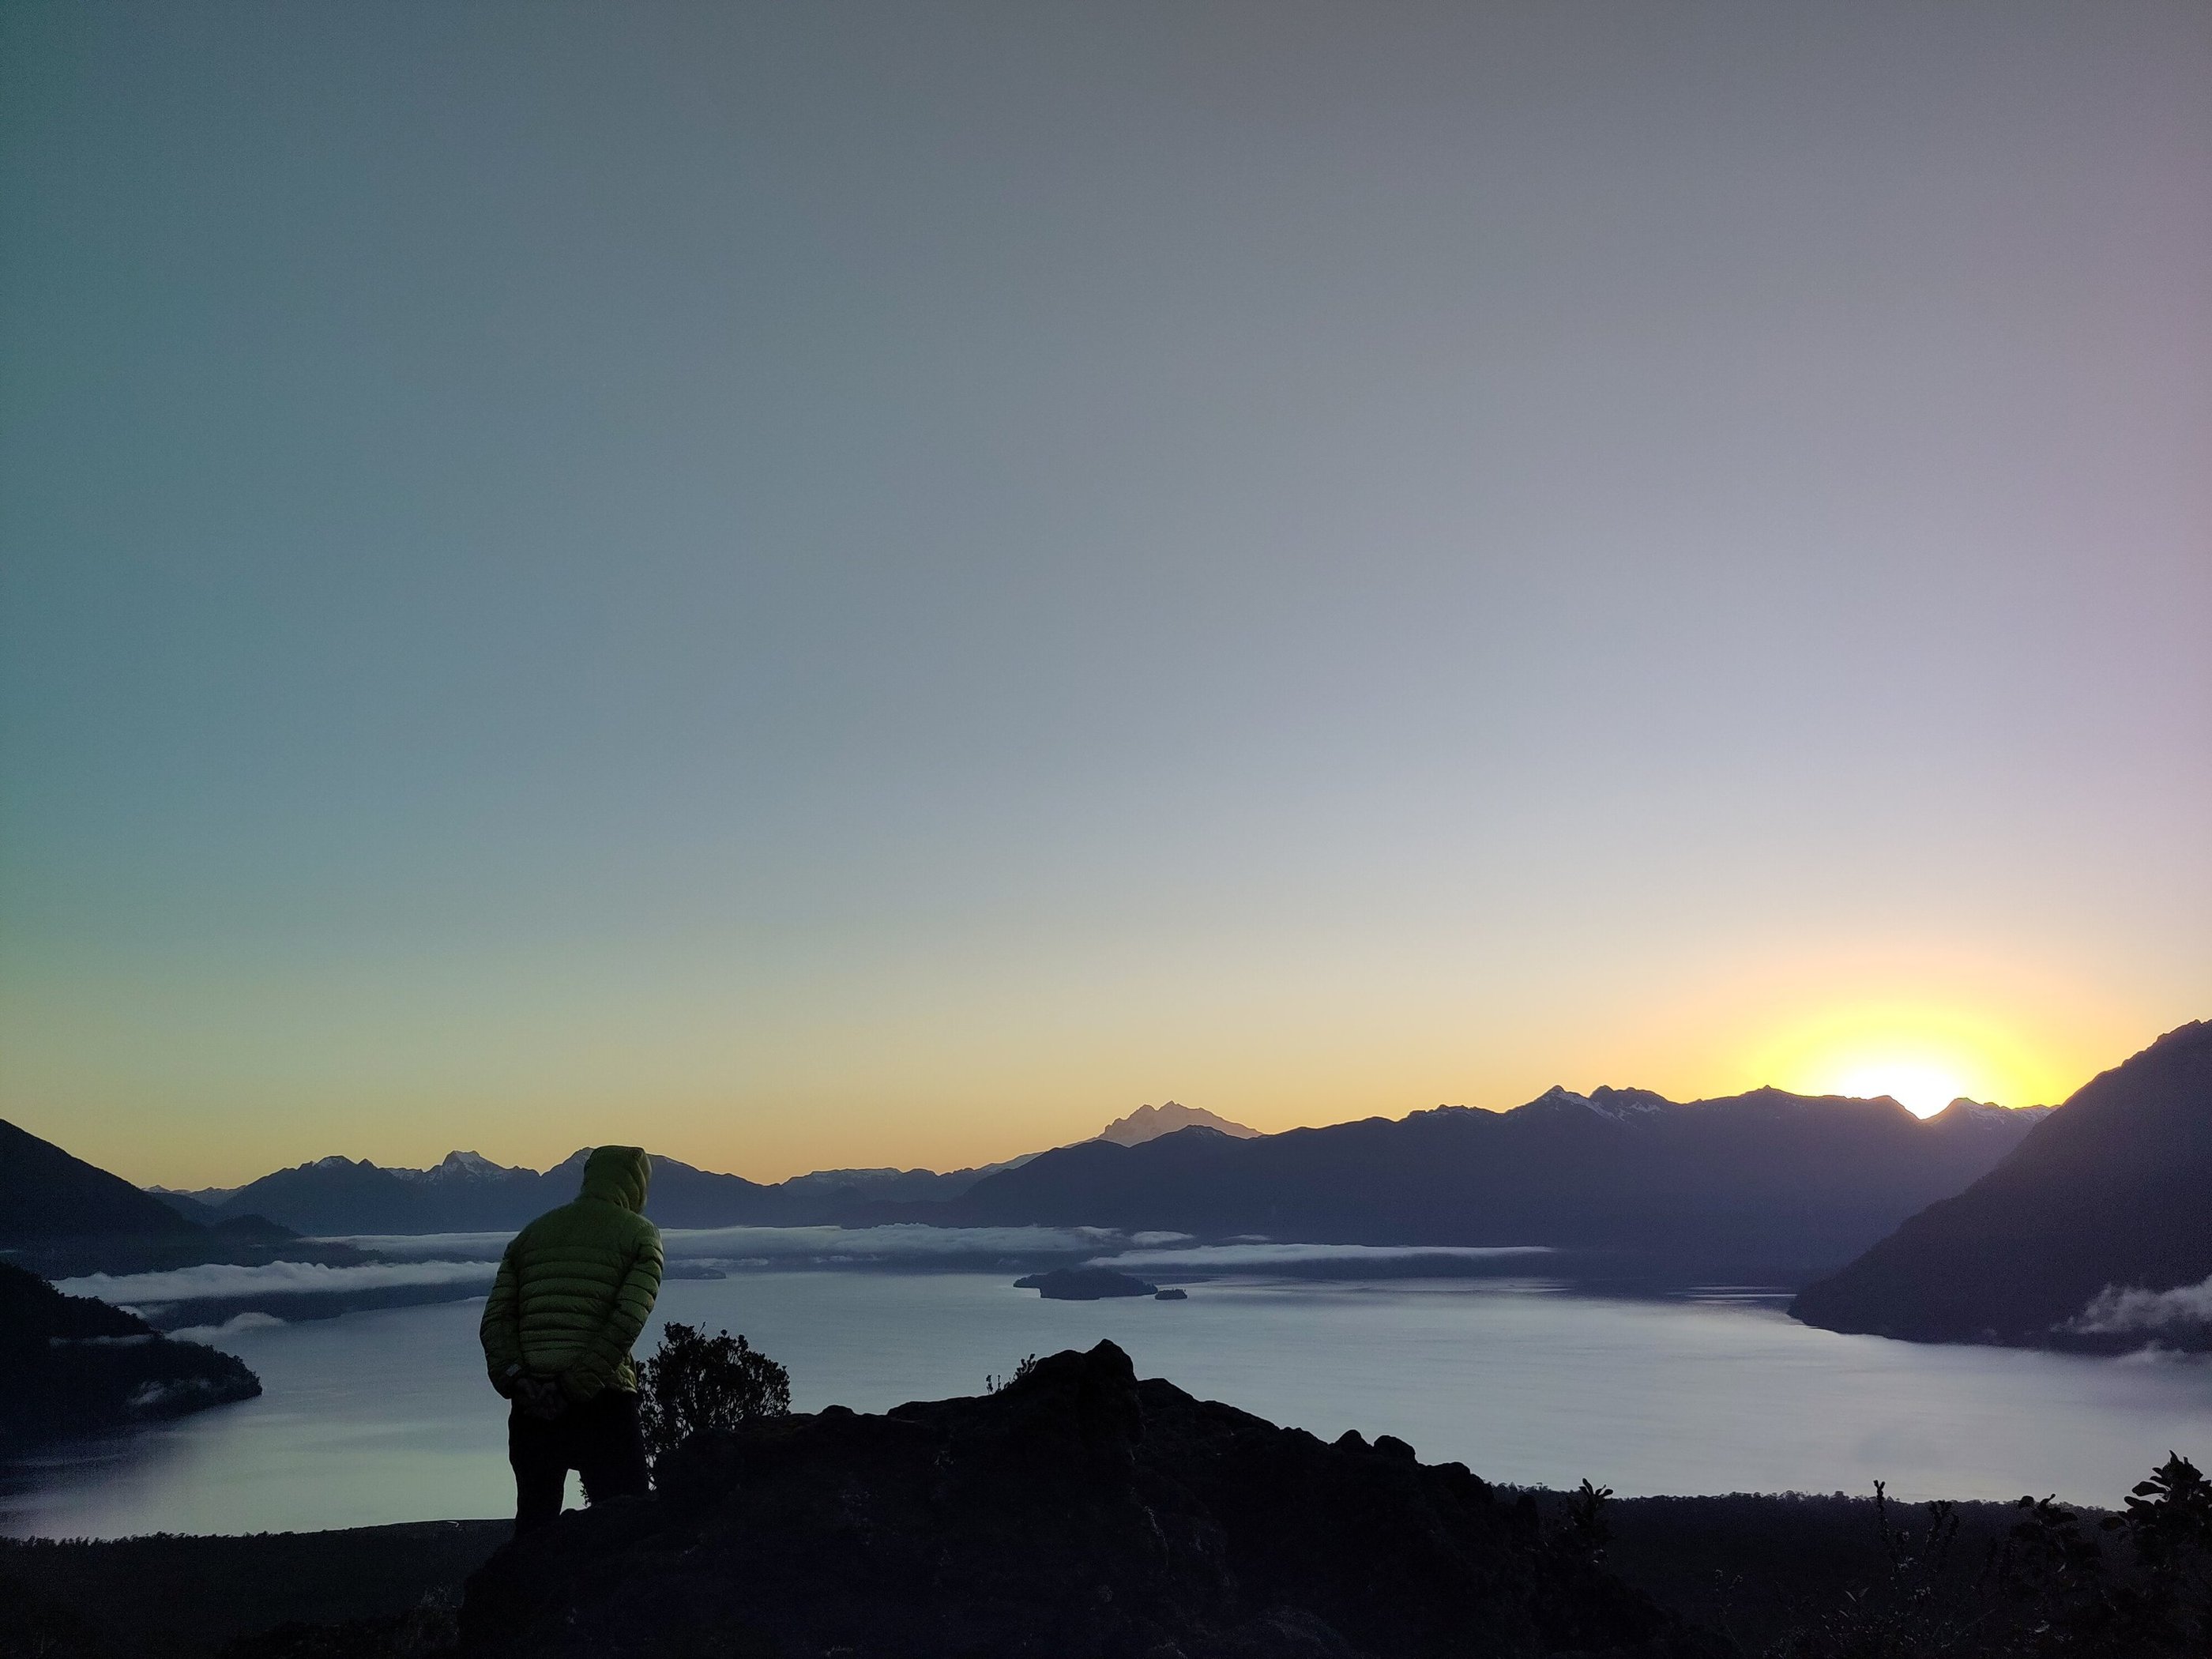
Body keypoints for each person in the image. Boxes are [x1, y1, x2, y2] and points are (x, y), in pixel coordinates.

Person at [479, 1144, 664, 1533]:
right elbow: (627, 1320)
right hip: (604, 1402)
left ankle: (525, 1595)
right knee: (625, 1525)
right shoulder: (640, 1235)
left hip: (531, 1405)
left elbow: (496, 1321)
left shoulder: (530, 1235)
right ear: (637, 1185)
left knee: (534, 1526)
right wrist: (573, 1386)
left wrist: (518, 1378)